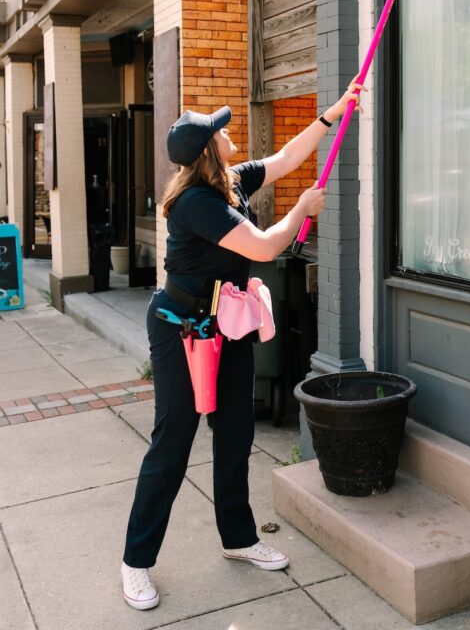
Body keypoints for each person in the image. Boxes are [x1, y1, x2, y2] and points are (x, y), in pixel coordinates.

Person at [121, 79, 365, 610]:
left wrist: (335, 110)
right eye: (220, 133)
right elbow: (263, 244)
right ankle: (136, 561)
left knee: (234, 432)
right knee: (174, 441)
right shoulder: (196, 204)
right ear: (209, 151)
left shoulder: (230, 180)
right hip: (180, 329)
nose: (230, 135)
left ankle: (239, 539)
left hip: (225, 325)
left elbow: (285, 156)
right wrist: (302, 209)